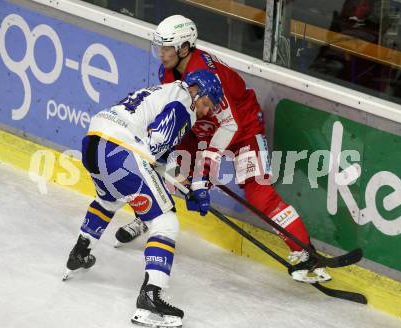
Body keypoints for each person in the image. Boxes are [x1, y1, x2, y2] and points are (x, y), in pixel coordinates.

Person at [116, 15, 331, 284]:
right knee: (170, 169)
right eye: (160, 46)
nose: (161, 53)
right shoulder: (167, 70)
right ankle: (147, 217)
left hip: (242, 129)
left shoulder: (209, 75)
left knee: (258, 192)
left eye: (167, 47)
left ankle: (304, 253)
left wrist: (203, 177)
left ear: (185, 47)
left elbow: (230, 125)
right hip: (200, 127)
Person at [63, 70, 224, 328]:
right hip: (119, 151)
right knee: (166, 221)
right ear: (195, 90)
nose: (205, 112)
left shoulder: (167, 90)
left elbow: (152, 154)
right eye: (206, 104)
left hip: (93, 143)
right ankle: (151, 297)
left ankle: (80, 252)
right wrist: (186, 187)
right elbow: (153, 150)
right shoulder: (183, 105)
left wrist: (184, 185)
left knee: (109, 199)